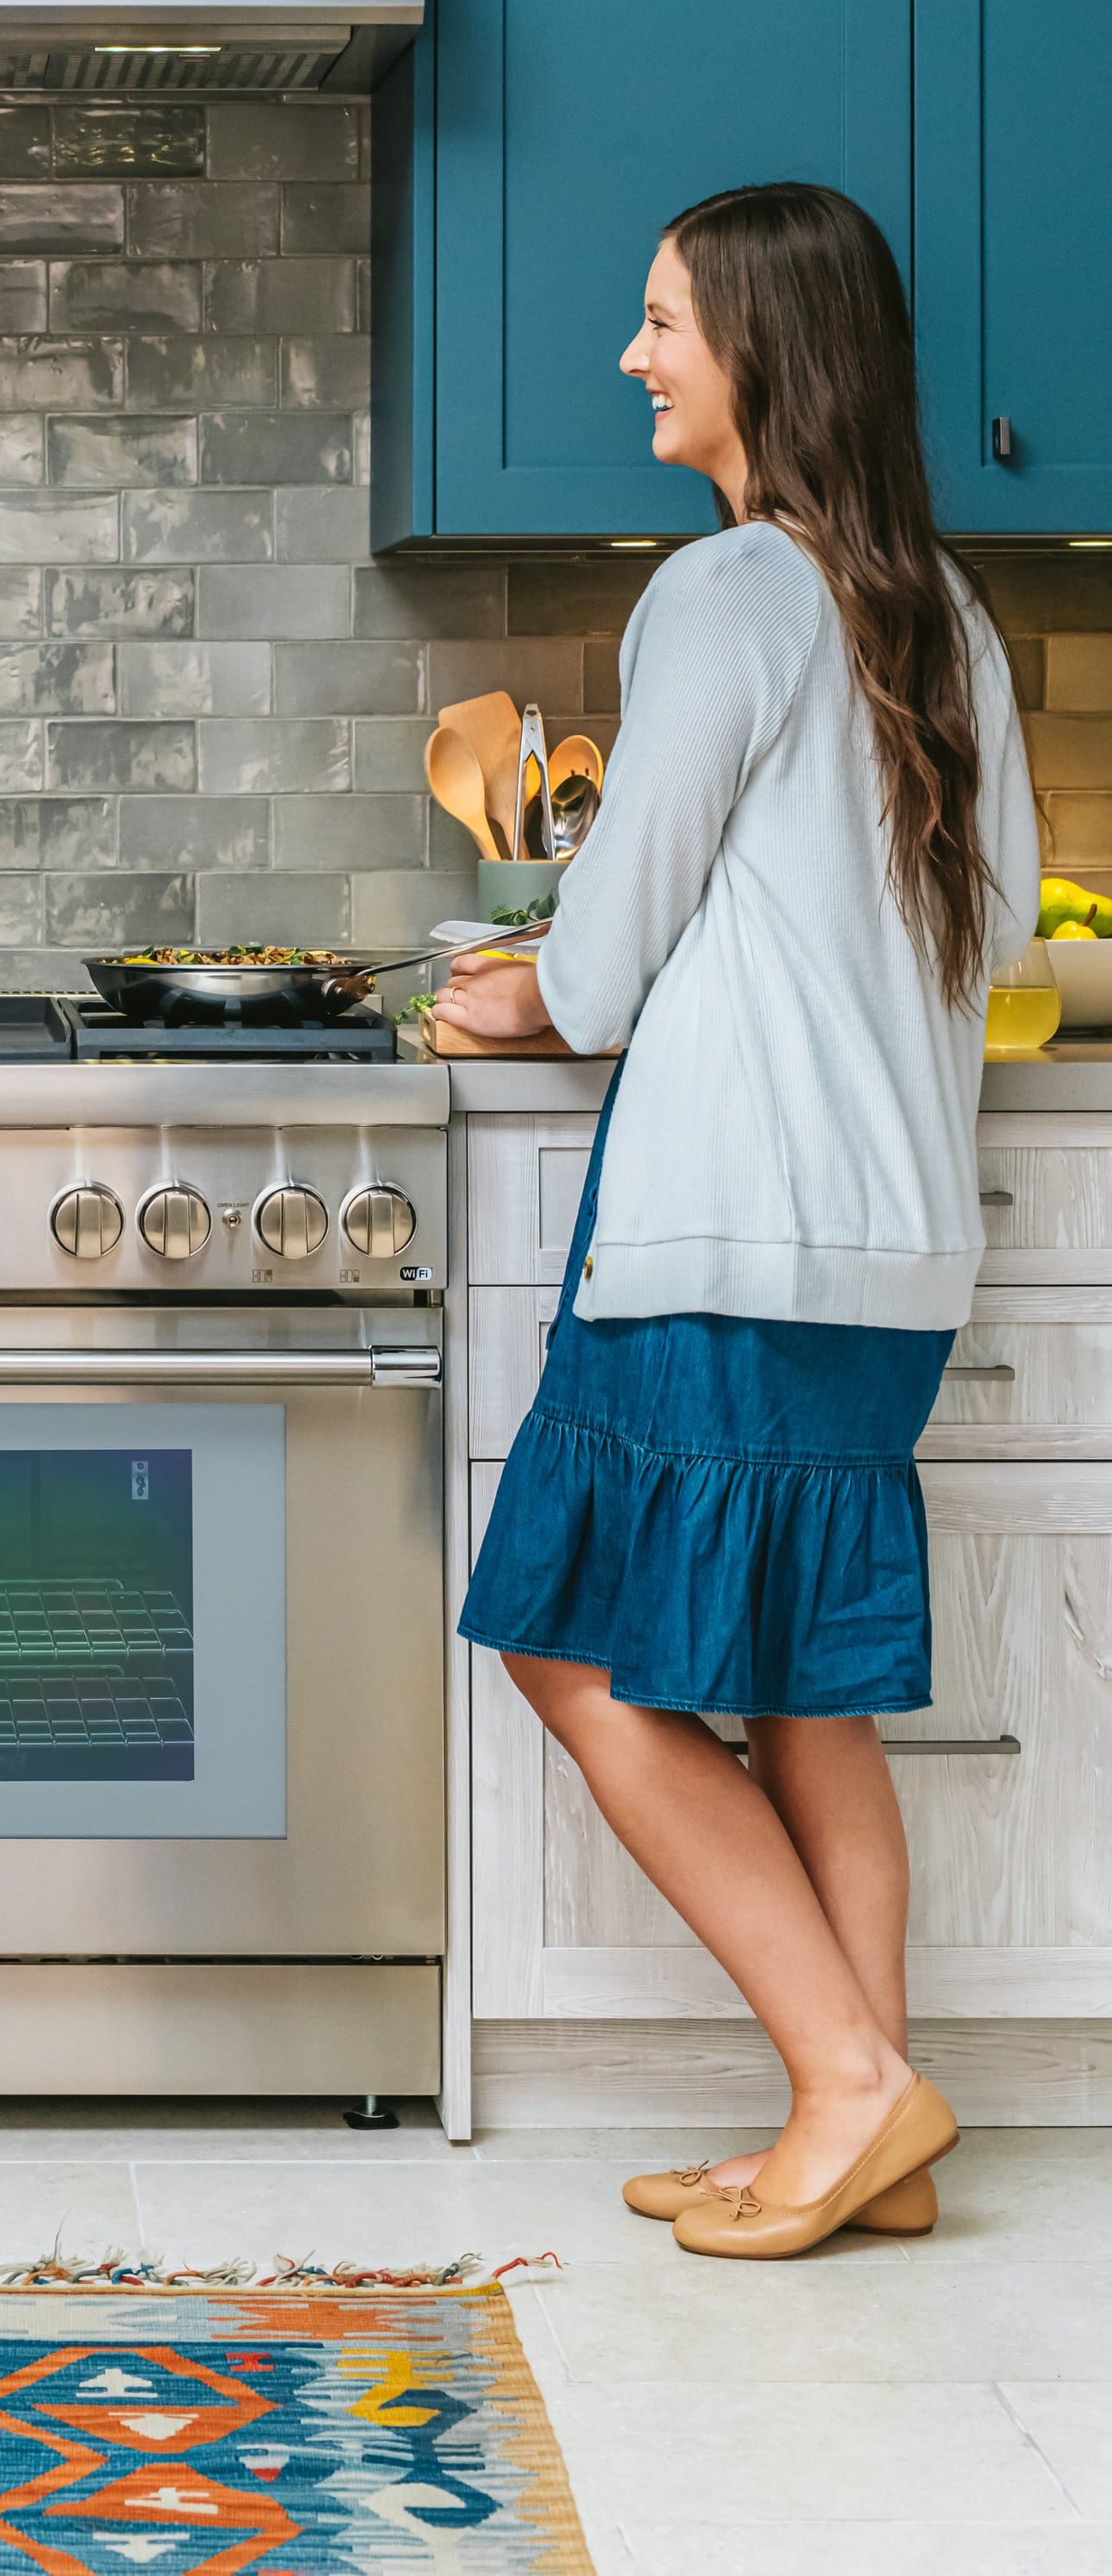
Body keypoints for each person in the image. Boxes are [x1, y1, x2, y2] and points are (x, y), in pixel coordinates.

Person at [438, 182, 1036, 2260]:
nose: (631, 355)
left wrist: (515, 983)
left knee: (572, 1656)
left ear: (762, 352)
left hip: (721, 1240)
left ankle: (847, 2085)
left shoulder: (717, 593)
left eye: (662, 318)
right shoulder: (939, 610)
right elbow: (986, 935)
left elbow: (602, 963)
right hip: (883, 1251)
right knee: (805, 1693)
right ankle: (872, 2136)